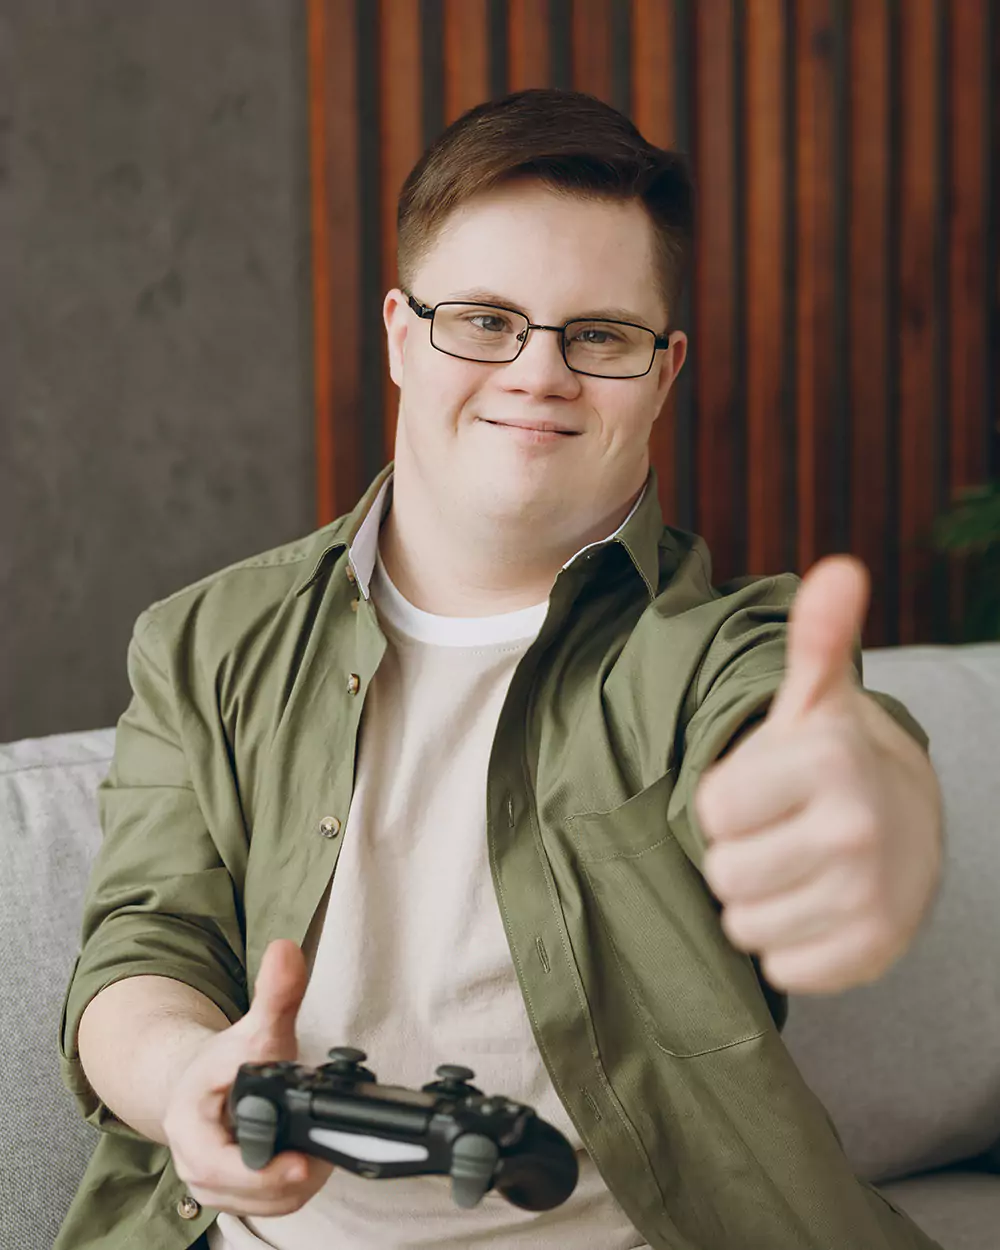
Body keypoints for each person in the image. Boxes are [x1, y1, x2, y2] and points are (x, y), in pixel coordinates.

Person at [56, 88, 945, 1250]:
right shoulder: (201, 640)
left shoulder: (719, 644)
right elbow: (142, 944)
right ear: (398, 335)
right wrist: (184, 1076)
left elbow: (818, 748)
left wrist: (872, 811)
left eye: (600, 334)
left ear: (662, 371)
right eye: (482, 318)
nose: (538, 372)